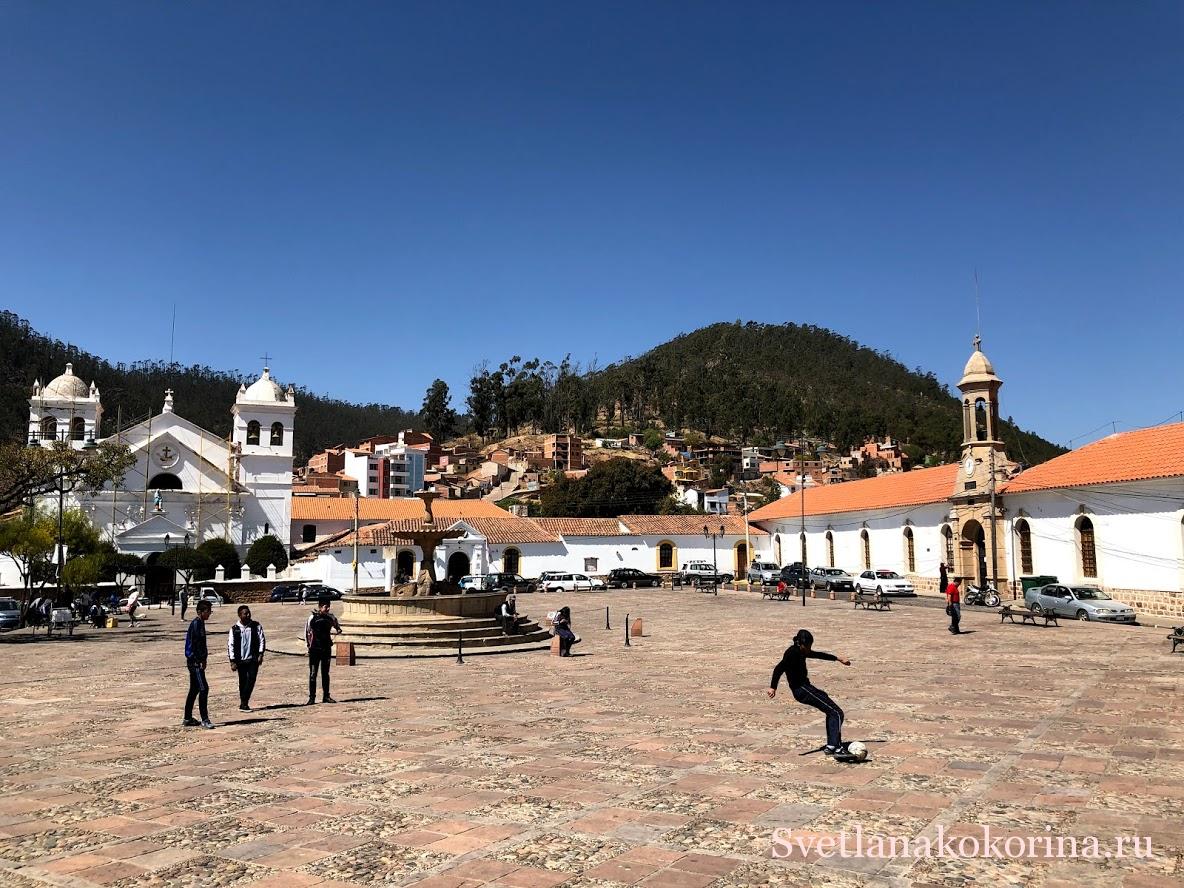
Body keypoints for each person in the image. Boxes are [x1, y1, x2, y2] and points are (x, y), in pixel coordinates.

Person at [767, 629, 851, 755]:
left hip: (806, 688)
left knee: (828, 705)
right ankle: (837, 748)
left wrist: (838, 659)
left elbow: (817, 655)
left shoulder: (801, 650)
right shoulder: (792, 653)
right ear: (800, 644)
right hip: (802, 689)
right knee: (837, 712)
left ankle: (831, 745)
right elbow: (779, 668)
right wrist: (773, 687)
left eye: (810, 646)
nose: (809, 649)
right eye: (807, 646)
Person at [227, 605, 267, 711]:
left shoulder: (256, 626)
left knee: (252, 679)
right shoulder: (234, 629)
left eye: (249, 613)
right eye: (245, 613)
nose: (248, 615)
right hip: (240, 660)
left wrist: (260, 654)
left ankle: (244, 701)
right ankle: (243, 703)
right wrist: (232, 661)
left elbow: (261, 640)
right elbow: (231, 645)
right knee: (243, 681)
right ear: (240, 615)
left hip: (253, 658)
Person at [184, 600, 215, 728]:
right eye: (207, 611)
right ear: (200, 612)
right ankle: (205, 719)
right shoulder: (196, 624)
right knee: (203, 688)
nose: (209, 614)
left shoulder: (200, 623)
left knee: (194, 689)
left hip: (197, 660)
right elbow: (196, 645)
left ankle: (187, 718)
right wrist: (201, 660)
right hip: (195, 662)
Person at [305, 597, 341, 704]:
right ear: (320, 607)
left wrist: (338, 629)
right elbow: (307, 632)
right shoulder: (312, 618)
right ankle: (312, 698)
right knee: (313, 674)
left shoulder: (331, 617)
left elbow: (337, 626)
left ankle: (326, 696)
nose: (328, 608)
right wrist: (308, 646)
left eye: (329, 606)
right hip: (315, 649)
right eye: (326, 607)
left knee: (325, 673)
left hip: (326, 649)